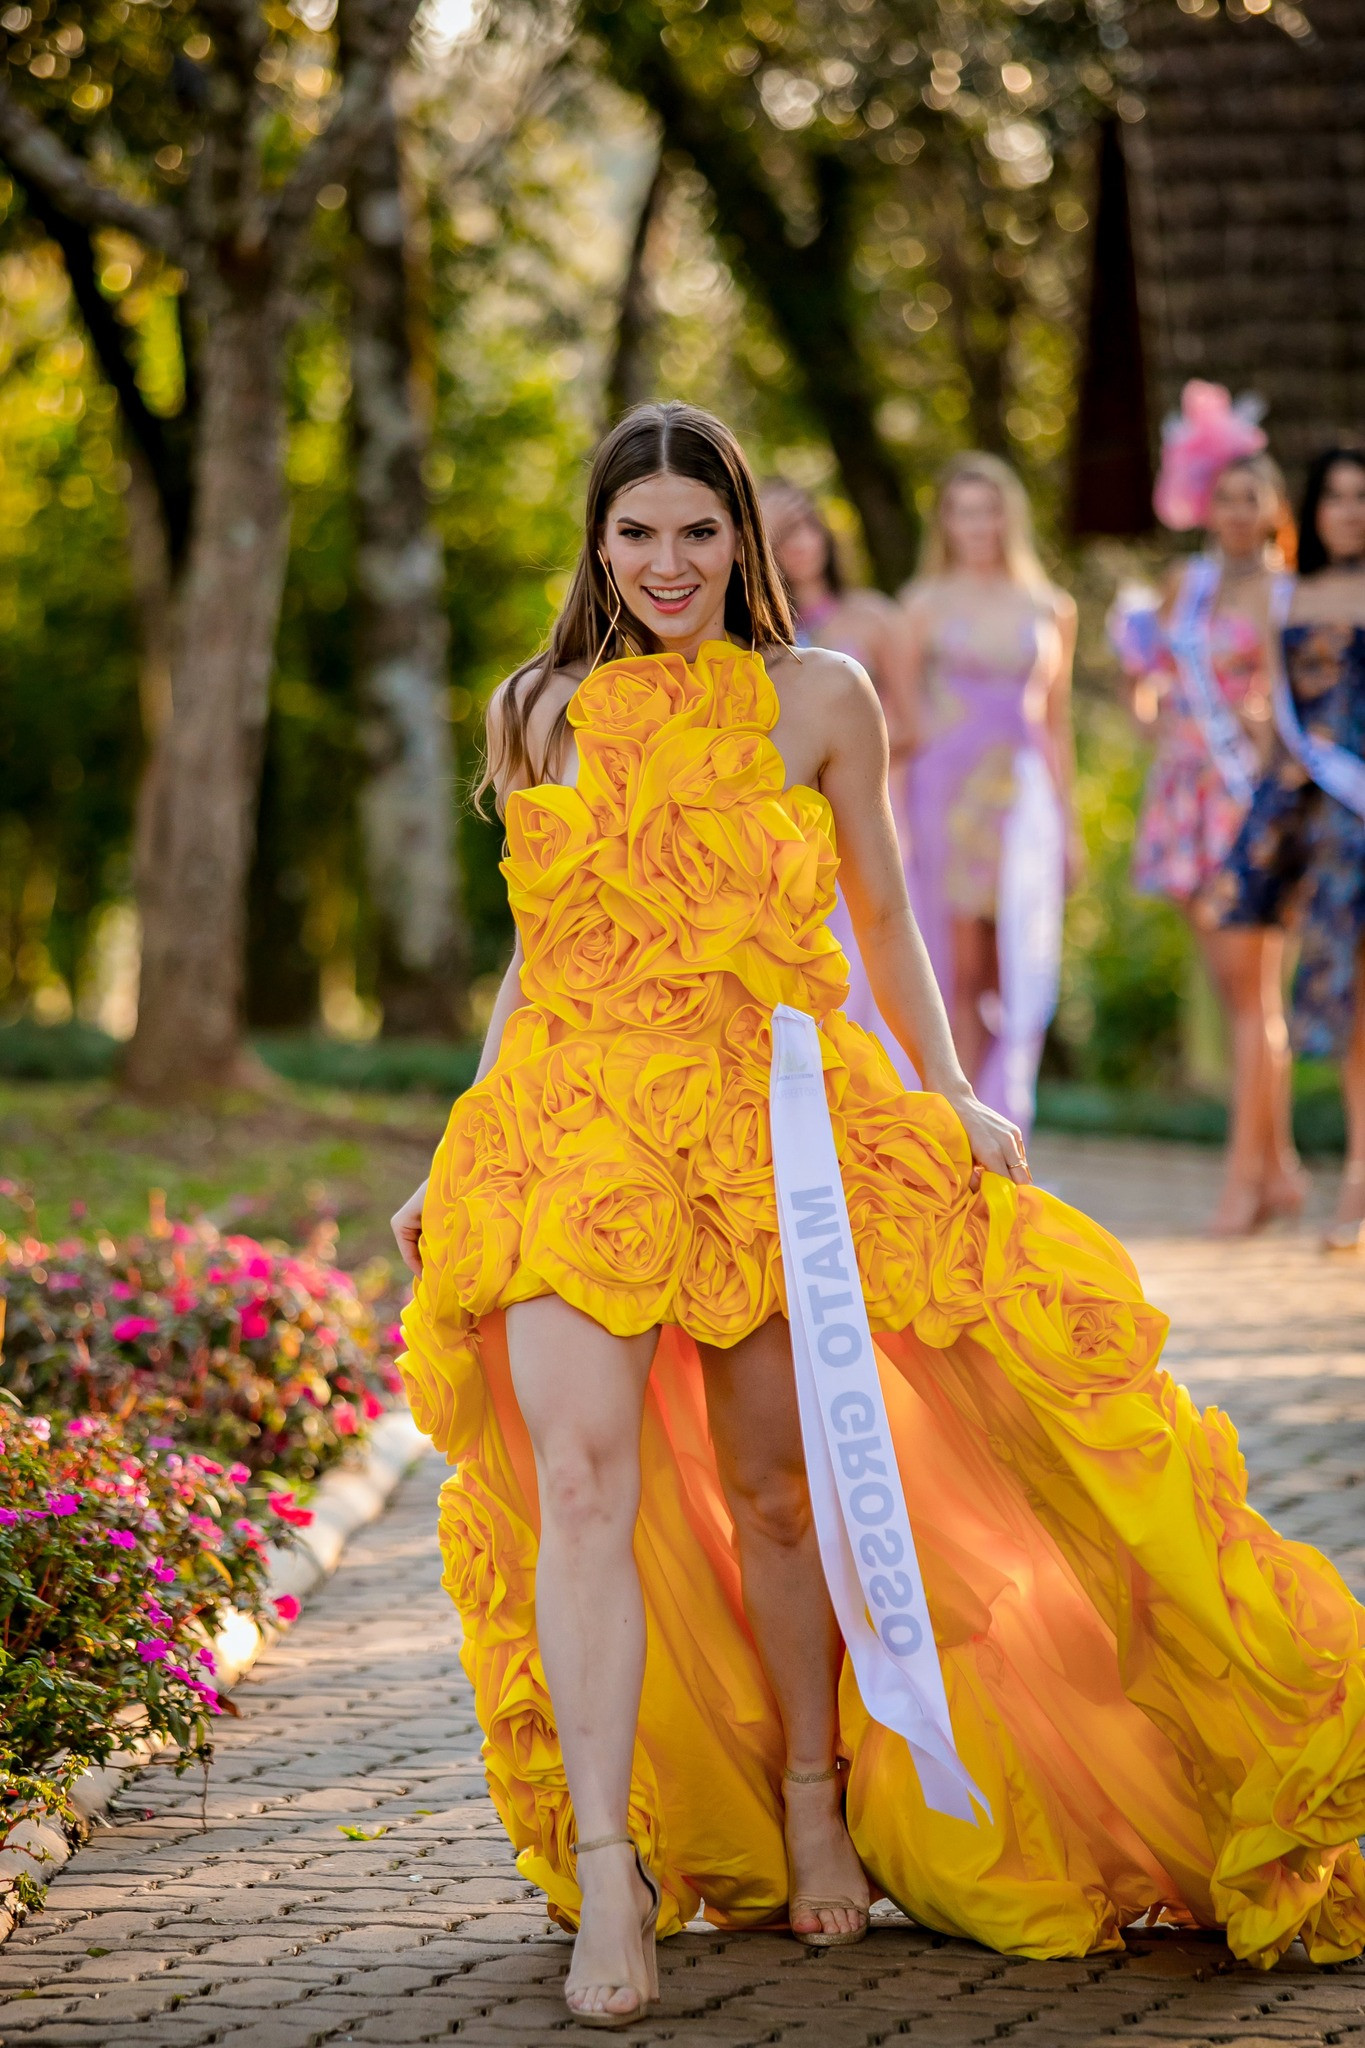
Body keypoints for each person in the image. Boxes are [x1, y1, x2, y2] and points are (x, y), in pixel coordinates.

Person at [391, 402, 1365, 2030]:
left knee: (780, 1490)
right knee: (577, 1478)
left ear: (745, 539)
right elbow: (536, 953)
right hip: (566, 1125)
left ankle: (812, 1795)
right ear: (597, 544)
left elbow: (887, 918)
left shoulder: (820, 698)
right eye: (637, 532)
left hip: (761, 1119)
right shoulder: (535, 708)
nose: (668, 562)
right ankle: (618, 1872)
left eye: (699, 530)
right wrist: (453, 1143)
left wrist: (949, 1084)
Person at [1110, 383, 1305, 1236]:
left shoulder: (1287, 593)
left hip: (1249, 804)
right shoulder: (1181, 585)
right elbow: (1142, 681)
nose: (1234, 512)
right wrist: (1138, 691)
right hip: (1186, 797)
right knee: (1232, 994)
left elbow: (1302, 704)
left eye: (1249, 499)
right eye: (1222, 497)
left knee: (1249, 995)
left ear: (1272, 510)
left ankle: (1244, 1179)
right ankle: (1280, 1171)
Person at [1211, 446, 1365, 1251]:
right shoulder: (1287, 594)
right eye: (1334, 496)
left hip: (1357, 818)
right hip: (1296, 809)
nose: (1347, 510)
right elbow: (1280, 723)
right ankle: (1290, 1172)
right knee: (1247, 952)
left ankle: (1356, 1186)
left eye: (1360, 496)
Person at [897, 453, 1078, 1134]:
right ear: (945, 520)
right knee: (960, 971)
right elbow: (904, 715)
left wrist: (1069, 825)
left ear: (1010, 515)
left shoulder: (1048, 606)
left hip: (1020, 803)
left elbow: (1055, 722)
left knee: (1018, 974)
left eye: (989, 508)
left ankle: (1010, 1119)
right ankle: (956, 1131)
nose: (977, 523)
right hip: (942, 795)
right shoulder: (920, 604)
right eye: (962, 509)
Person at [762, 478, 920, 1079]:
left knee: (872, 934)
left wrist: (843, 743)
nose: (801, 543)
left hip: (867, 798)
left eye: (808, 525)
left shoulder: (872, 616)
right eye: (784, 533)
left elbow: (912, 723)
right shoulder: (760, 637)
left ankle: (882, 1085)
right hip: (791, 819)